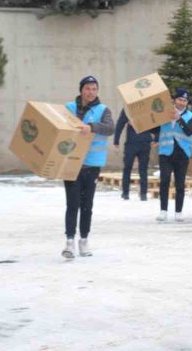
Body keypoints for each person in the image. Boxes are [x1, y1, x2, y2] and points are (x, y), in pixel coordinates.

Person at [61, 76, 114, 259]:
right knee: (72, 203)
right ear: (81, 89)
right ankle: (69, 242)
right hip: (70, 162)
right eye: (87, 88)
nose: (91, 92)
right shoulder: (69, 108)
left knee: (87, 204)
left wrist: (91, 127)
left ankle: (83, 240)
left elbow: (110, 128)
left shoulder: (103, 110)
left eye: (94, 89)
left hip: (92, 164)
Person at [155, 88, 192, 222]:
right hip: (166, 151)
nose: (182, 103)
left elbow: (190, 131)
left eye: (185, 100)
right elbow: (154, 126)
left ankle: (178, 211)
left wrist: (180, 119)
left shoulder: (190, 116)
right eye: (179, 99)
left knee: (180, 183)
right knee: (164, 180)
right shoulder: (164, 112)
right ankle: (163, 210)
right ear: (174, 100)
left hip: (182, 153)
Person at [113, 108, 156, 201]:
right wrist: (156, 138)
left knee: (129, 168)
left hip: (134, 142)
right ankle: (140, 194)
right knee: (141, 169)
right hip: (141, 142)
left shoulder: (129, 108)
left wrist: (116, 140)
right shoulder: (144, 107)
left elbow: (120, 124)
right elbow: (155, 123)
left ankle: (127, 193)